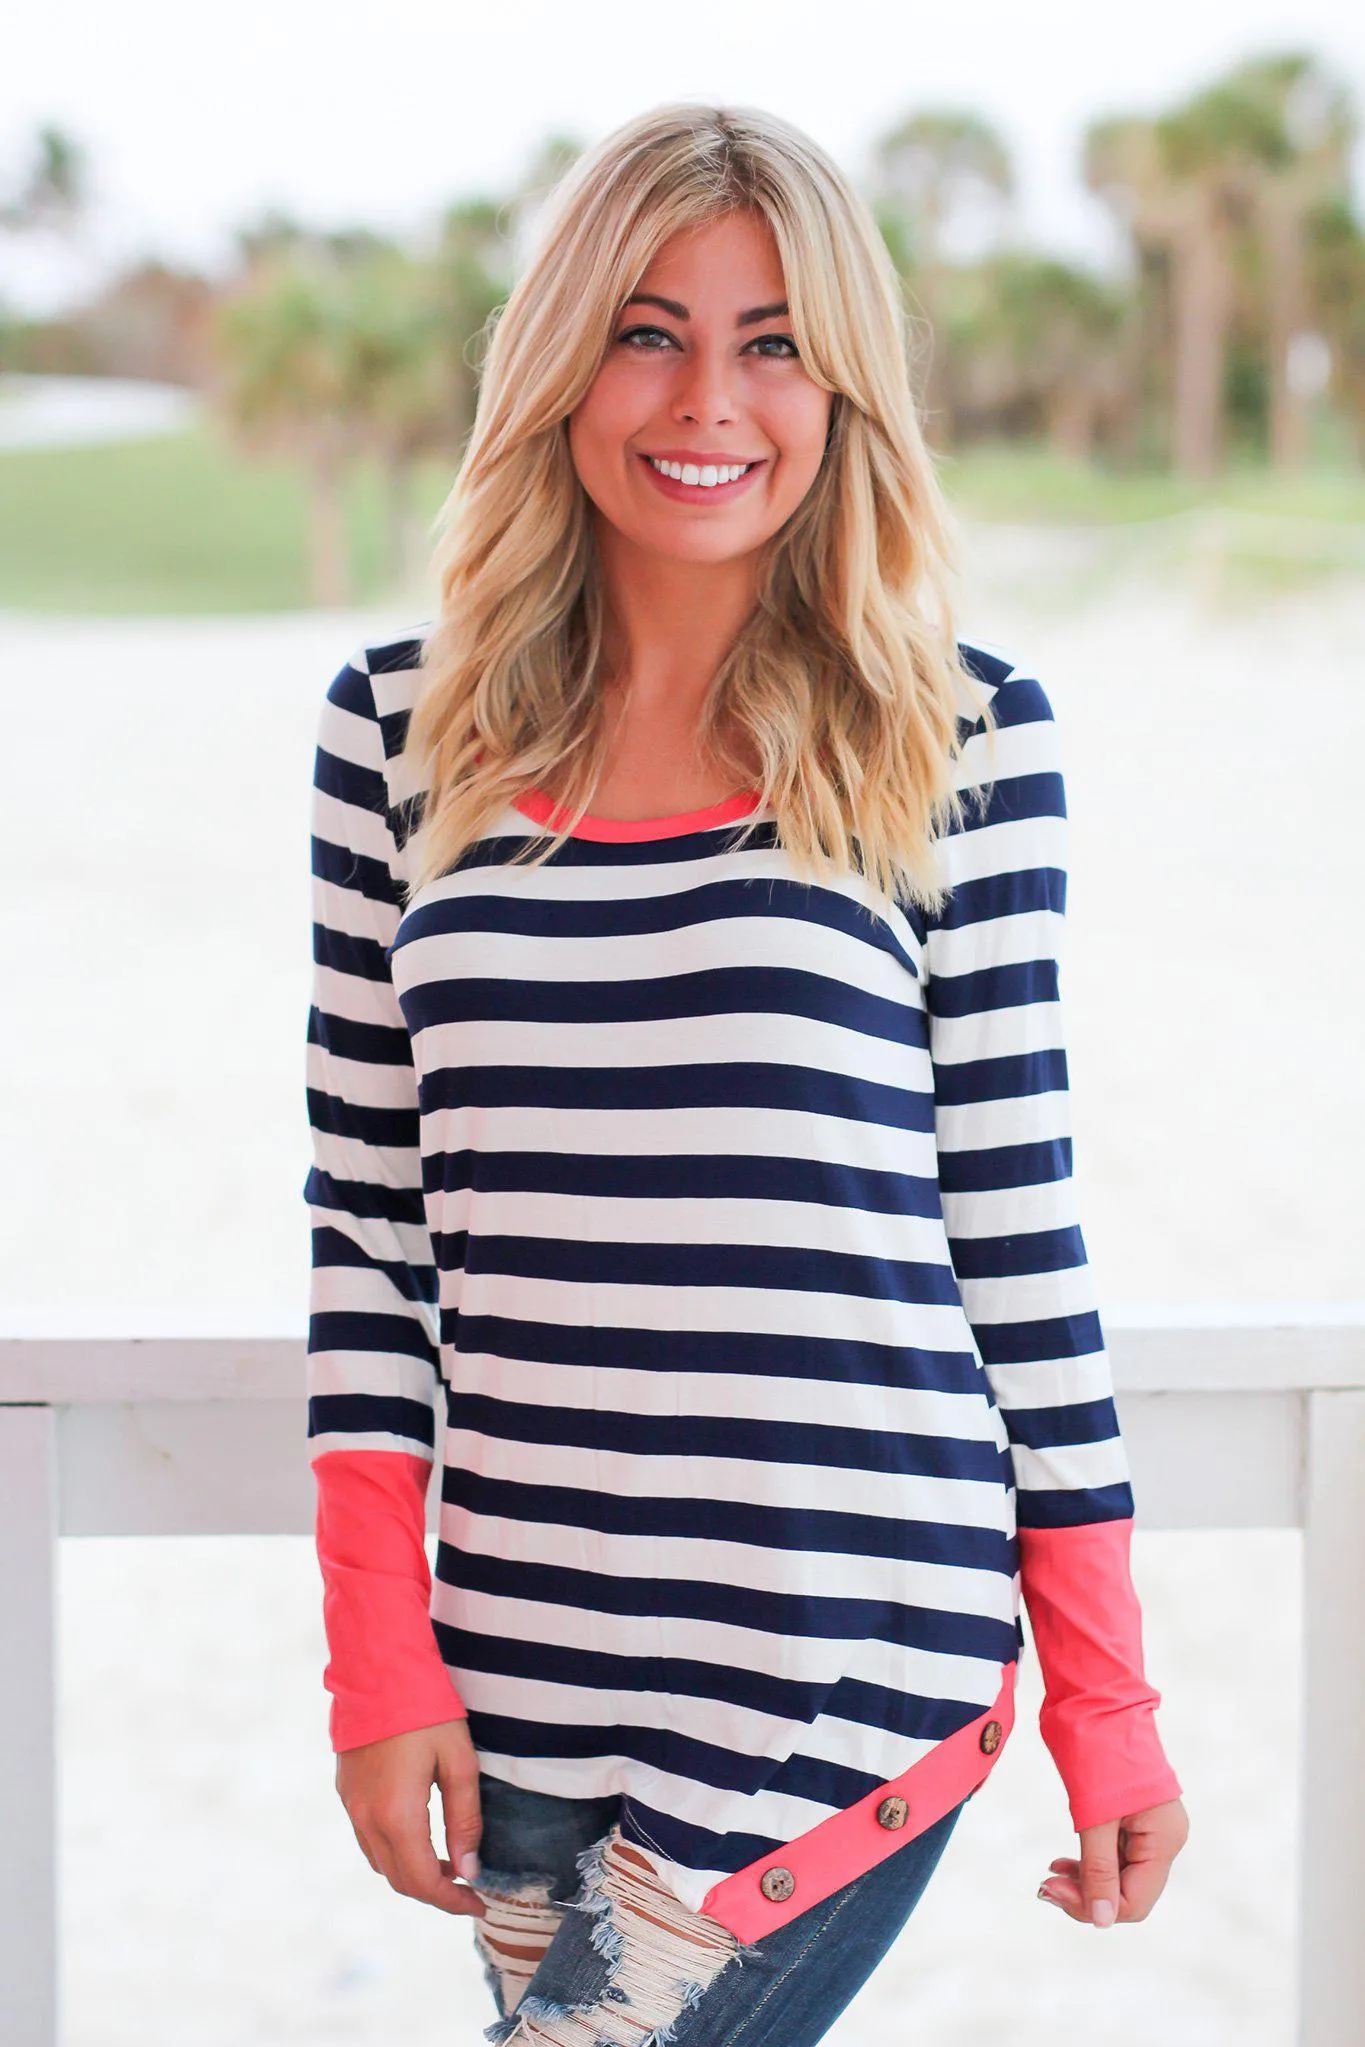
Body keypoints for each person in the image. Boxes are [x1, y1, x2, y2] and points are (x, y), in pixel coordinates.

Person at [302, 101, 1189, 2047]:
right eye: (647, 327)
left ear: (841, 381)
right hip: (520, 1679)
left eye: (774, 339)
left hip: (842, 1665)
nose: (709, 395)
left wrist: (1106, 1704)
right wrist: (378, 1659)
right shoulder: (389, 732)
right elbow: (369, 1229)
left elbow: (1015, 1233)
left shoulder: (960, 733)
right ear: (556, 361)